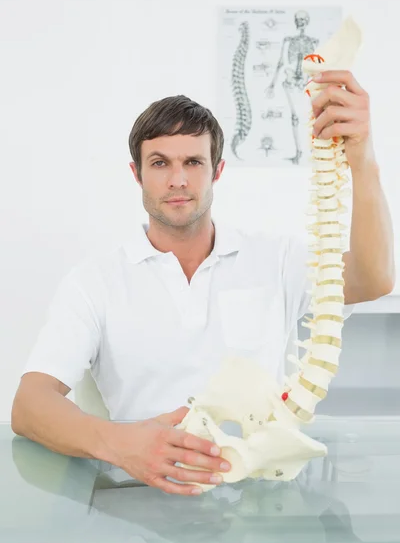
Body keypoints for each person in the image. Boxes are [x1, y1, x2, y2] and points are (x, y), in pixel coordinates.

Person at [12, 77, 395, 496]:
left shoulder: (278, 259)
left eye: (193, 162)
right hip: (141, 499)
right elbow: (30, 405)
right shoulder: (95, 282)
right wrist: (122, 445)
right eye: (160, 163)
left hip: (261, 499)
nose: (178, 180)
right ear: (136, 174)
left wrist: (361, 157)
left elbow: (372, 279)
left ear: (218, 170)